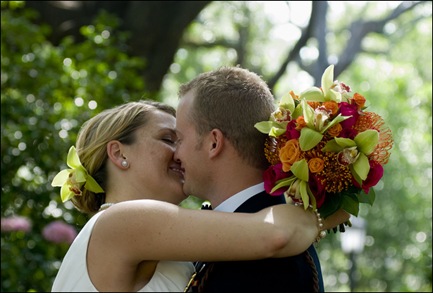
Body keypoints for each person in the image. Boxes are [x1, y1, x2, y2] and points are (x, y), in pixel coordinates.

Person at [50, 100, 345, 292]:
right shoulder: (122, 221)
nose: (181, 154)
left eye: (182, 141)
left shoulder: (150, 236)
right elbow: (276, 234)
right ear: (119, 153)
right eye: (168, 140)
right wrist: (326, 212)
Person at [175, 66, 349, 292]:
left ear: (214, 143)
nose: (175, 154)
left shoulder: (274, 263)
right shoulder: (249, 231)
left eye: (179, 139)